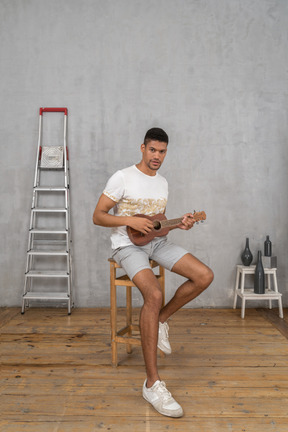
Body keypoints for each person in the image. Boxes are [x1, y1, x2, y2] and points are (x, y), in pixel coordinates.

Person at [93, 127, 214, 418]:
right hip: (127, 247)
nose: (157, 156)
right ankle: (152, 383)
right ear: (143, 148)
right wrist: (129, 218)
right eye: (152, 150)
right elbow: (98, 216)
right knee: (154, 293)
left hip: (157, 244)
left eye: (162, 151)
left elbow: (156, 225)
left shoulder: (163, 183)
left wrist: (180, 224)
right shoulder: (123, 177)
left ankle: (161, 320)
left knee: (204, 275)